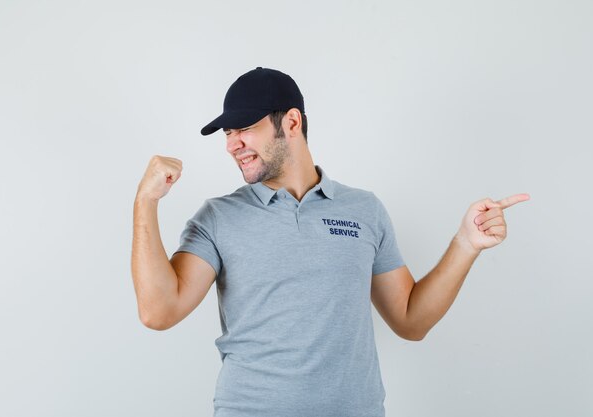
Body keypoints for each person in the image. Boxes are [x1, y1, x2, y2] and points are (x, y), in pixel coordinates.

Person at [131, 67, 530, 417]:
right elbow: (158, 311)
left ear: (291, 122)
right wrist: (145, 202)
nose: (231, 144)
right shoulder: (218, 218)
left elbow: (411, 320)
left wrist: (465, 244)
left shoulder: (364, 210)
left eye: (244, 128)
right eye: (228, 133)